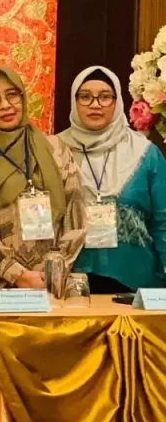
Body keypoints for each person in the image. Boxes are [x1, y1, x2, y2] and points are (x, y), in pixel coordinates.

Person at [0, 67, 86, 289]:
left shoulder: (54, 149)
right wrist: (16, 273)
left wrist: (54, 269)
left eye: (12, 94)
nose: (5, 105)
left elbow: (75, 211)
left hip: (50, 283)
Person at [57, 67, 166, 293]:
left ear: (117, 102)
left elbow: (163, 220)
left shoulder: (145, 152)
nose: (95, 104)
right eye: (85, 96)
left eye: (105, 97)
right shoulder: (55, 150)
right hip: (70, 280)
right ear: (74, 101)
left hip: (136, 281)